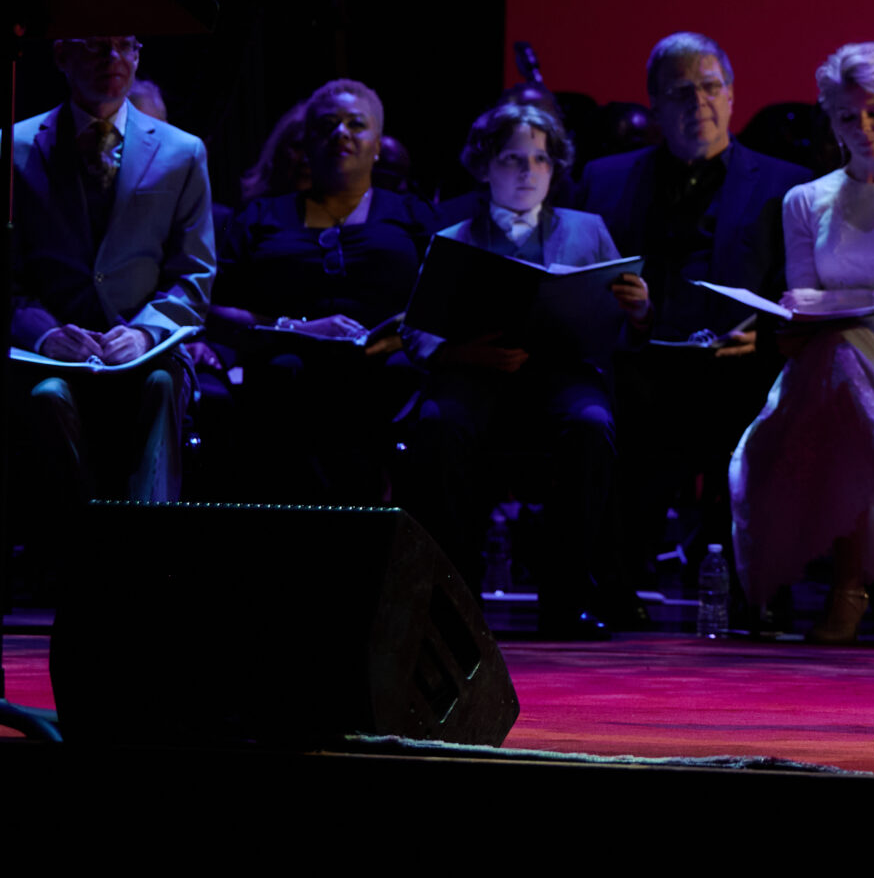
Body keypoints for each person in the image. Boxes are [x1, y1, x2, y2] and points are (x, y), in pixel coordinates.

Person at [730, 44, 874, 642]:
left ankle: (848, 589)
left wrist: (841, 302)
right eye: (846, 115)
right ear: (830, 119)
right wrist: (864, 300)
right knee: (839, 362)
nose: (862, 127)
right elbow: (797, 299)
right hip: (825, 364)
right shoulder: (806, 201)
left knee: (843, 369)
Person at [583, 32, 810, 620]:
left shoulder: (785, 185)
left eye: (711, 88)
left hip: (739, 363)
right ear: (653, 104)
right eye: (681, 92)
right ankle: (614, 588)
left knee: (755, 423)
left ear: (732, 96)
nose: (699, 102)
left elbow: (797, 286)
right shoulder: (605, 181)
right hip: (638, 361)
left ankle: (756, 590)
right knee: (609, 418)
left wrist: (760, 337)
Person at [403, 99, 642, 639]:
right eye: (513, 159)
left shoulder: (588, 230)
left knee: (590, 424)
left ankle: (567, 596)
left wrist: (637, 310)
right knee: (438, 425)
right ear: (485, 165)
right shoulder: (455, 235)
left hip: (560, 374)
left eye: (540, 159)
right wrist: (462, 352)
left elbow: (616, 327)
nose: (528, 171)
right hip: (476, 374)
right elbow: (416, 331)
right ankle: (457, 596)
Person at [9, 34, 214, 571]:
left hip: (144, 350)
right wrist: (46, 333)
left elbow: (193, 274)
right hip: (52, 352)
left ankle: (147, 556)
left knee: (162, 384)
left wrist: (146, 331)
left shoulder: (181, 151)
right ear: (61, 56)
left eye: (125, 47)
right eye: (95, 47)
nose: (112, 61)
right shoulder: (16, 146)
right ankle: (85, 556)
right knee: (49, 397)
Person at [211, 80, 441, 502]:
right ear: (306, 143)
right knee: (283, 376)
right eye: (327, 125)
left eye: (357, 124)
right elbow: (212, 307)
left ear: (377, 145)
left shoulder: (412, 214)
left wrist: (402, 332)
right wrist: (296, 327)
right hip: (289, 370)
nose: (342, 133)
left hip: (388, 369)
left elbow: (447, 296)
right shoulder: (260, 216)